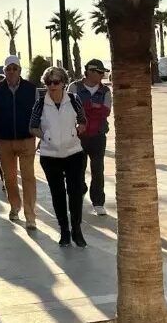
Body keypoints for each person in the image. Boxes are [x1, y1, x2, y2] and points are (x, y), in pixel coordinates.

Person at [30, 66, 88, 248]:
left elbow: (83, 120)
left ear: (63, 83)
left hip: (73, 153)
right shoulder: (40, 103)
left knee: (75, 192)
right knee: (58, 195)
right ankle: (64, 230)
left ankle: (77, 229)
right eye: (48, 82)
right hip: (50, 155)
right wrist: (46, 136)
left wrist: (78, 129)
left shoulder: (73, 99)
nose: (52, 86)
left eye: (56, 82)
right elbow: (32, 126)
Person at [0, 56, 40, 229]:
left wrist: (41, 135)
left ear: (20, 70)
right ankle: (15, 206)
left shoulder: (31, 89)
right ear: (4, 71)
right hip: (4, 141)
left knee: (28, 177)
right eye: (8, 69)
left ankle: (30, 216)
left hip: (27, 139)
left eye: (15, 68)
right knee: (9, 178)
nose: (12, 71)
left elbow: (40, 114)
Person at [68, 59, 112, 216]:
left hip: (98, 135)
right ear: (91, 72)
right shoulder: (74, 87)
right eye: (100, 73)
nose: (102, 76)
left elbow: (106, 111)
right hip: (78, 136)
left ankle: (98, 202)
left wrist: (85, 107)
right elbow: (71, 108)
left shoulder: (106, 91)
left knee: (98, 170)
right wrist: (92, 107)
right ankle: (80, 190)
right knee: (78, 169)